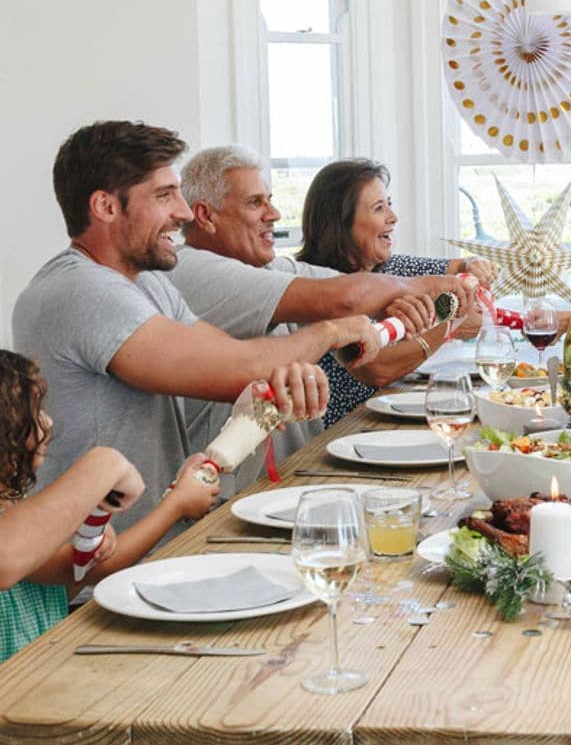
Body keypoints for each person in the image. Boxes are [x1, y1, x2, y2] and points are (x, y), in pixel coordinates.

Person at [11, 121, 370, 535]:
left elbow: (236, 362)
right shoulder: (83, 289)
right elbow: (241, 368)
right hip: (101, 577)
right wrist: (329, 332)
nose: (183, 213)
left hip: (160, 551)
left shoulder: (147, 281)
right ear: (106, 207)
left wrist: (280, 374)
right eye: (164, 196)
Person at [174, 146, 472, 489]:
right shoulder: (194, 269)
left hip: (299, 472)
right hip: (226, 494)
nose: (274, 213)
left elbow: (352, 289)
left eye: (269, 199)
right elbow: (345, 299)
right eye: (256, 203)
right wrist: (436, 293)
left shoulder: (271, 266)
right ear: (206, 216)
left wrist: (407, 299)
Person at [0, 349, 220, 745]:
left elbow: (74, 570)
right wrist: (103, 463)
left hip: (43, 712)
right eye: (33, 411)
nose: (48, 425)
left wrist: (173, 505)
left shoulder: (15, 516)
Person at [295, 159, 492, 428]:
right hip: (343, 433)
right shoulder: (316, 286)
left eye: (389, 204)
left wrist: (473, 266)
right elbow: (377, 369)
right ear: (341, 222)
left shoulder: (387, 267)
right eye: (379, 208)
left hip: (393, 418)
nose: (393, 217)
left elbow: (455, 270)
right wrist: (449, 328)